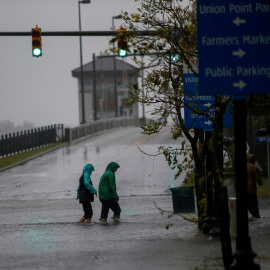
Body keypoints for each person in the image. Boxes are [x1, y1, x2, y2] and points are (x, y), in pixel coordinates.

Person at [247, 154, 263, 219]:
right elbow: (258, 180)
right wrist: (261, 183)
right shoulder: (254, 167)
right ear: (253, 160)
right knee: (254, 208)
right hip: (251, 191)